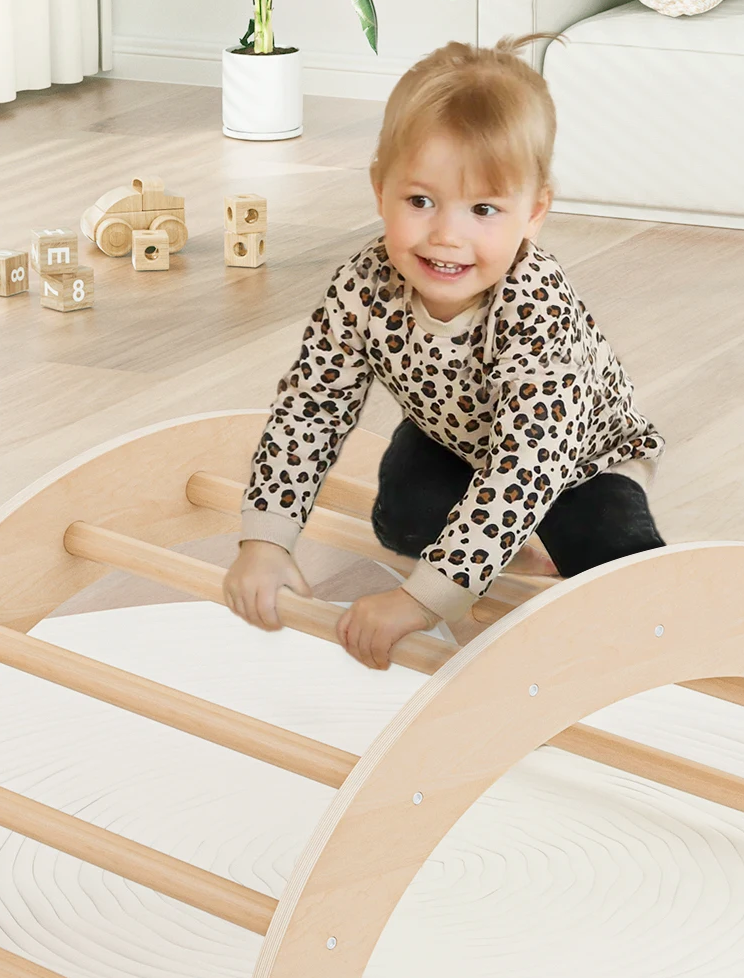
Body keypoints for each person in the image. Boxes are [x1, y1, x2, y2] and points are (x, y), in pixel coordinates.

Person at [224, 36, 665, 669]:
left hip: (576, 463)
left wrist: (423, 600)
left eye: (484, 209)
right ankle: (516, 551)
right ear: (380, 189)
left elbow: (525, 467)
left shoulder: (535, 306)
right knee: (399, 516)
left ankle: (563, 557)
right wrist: (266, 539)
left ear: (534, 214)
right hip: (457, 439)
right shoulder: (364, 285)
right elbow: (312, 408)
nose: (446, 235)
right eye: (420, 201)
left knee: (613, 558)